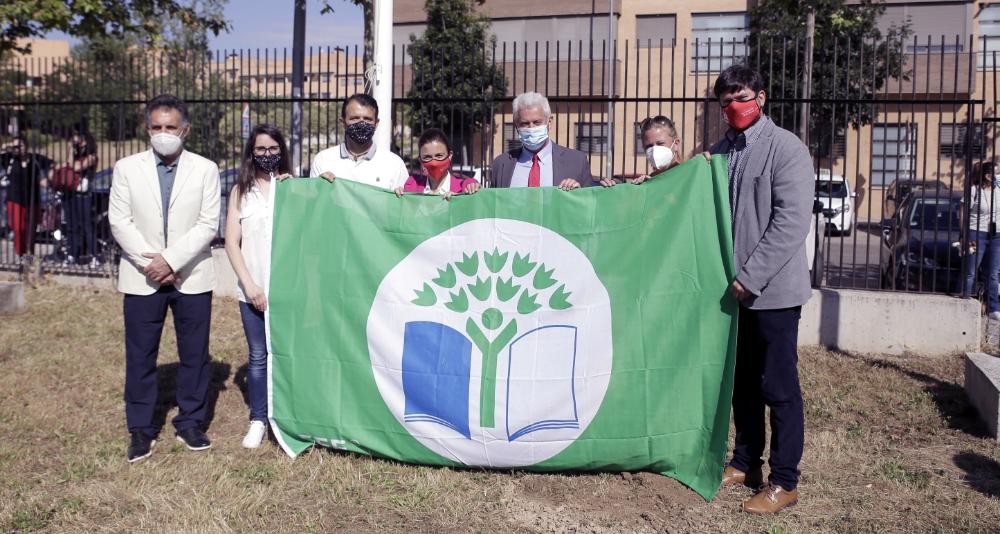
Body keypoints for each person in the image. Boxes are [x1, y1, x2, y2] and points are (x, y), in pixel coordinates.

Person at [710, 65, 814, 514]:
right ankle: (746, 462)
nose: (735, 106)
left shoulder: (786, 148)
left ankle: (784, 481)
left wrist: (750, 277)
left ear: (762, 97)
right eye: (726, 101)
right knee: (742, 385)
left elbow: (790, 222)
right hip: (734, 295)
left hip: (772, 293)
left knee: (778, 387)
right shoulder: (720, 151)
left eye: (742, 96)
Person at [108, 94, 221, 463]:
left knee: (194, 355)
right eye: (156, 127)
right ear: (146, 129)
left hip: (192, 275)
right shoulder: (126, 168)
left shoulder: (206, 169)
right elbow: (119, 221)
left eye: (170, 127)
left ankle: (191, 421)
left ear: (185, 129)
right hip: (142, 277)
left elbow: (208, 223)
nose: (163, 133)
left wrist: (171, 260)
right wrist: (152, 264)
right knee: (140, 356)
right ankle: (140, 428)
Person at [224, 124, 291, 448]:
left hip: (287, 289)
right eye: (261, 149)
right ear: (252, 152)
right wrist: (249, 286)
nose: (268, 155)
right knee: (259, 356)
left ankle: (289, 418)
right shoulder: (241, 190)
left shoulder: (291, 187)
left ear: (282, 151)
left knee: (288, 354)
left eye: (273, 149)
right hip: (252, 289)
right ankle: (258, 419)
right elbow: (231, 242)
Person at [491, 92, 594, 190]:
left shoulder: (577, 161)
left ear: (549, 122)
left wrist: (579, 194)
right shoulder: (501, 164)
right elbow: (492, 205)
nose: (531, 128)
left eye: (537, 122)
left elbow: (591, 203)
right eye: (524, 123)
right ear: (516, 125)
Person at [308, 93, 408, 190]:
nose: (361, 123)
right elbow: (312, 201)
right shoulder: (323, 160)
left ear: (376, 123)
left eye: (367, 119)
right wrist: (318, 188)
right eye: (354, 118)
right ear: (343, 122)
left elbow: (404, 204)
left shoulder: (394, 164)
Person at [960, 161, 1000, 319]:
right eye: (996, 173)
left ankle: (993, 308)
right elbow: (963, 211)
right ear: (988, 176)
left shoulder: (999, 190)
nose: (999, 176)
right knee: (971, 270)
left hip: (996, 235)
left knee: (993, 273)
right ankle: (965, 300)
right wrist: (964, 234)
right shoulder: (973, 191)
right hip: (976, 234)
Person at [394, 128, 481, 199]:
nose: (434, 163)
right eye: (427, 157)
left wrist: (470, 190)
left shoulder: (462, 188)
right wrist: (398, 198)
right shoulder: (412, 186)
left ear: (450, 155)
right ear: (420, 160)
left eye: (439, 156)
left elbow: (472, 187)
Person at [600, 115, 685, 187]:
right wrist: (612, 190)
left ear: (676, 144)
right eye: (649, 146)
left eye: (660, 143)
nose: (655, 150)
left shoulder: (691, 175)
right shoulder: (648, 181)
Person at [1, 137, 49, 260]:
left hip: (33, 200)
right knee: (18, 228)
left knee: (31, 229)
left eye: (21, 145)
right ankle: (20, 253)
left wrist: (46, 178)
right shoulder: (9, 158)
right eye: (16, 147)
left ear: (26, 146)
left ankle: (29, 254)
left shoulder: (35, 159)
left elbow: (51, 164)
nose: (18, 149)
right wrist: (8, 145)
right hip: (15, 199)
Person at [63, 129, 99, 268]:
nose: (76, 140)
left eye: (79, 137)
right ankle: (72, 254)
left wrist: (71, 152)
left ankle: (94, 255)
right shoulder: (75, 153)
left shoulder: (92, 156)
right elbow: (69, 163)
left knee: (87, 226)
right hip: (71, 193)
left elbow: (76, 167)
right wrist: (71, 150)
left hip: (85, 195)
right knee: (72, 226)